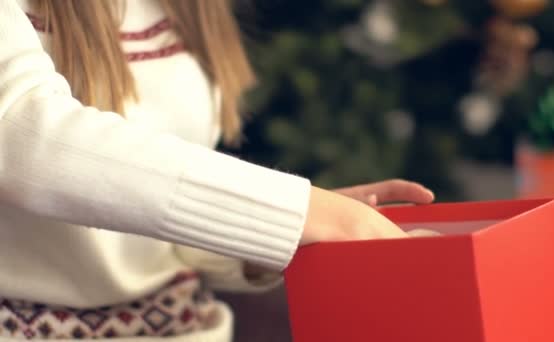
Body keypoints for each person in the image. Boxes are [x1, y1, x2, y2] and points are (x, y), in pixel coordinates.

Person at [0, 1, 434, 341]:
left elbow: (144, 221)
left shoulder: (189, 8)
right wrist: (310, 214)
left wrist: (261, 242)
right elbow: (23, 137)